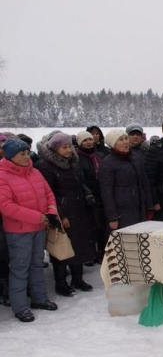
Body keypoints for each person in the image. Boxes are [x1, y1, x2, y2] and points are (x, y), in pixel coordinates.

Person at [0, 138, 59, 322]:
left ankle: (39, 298)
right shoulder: (2, 175)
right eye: (21, 154)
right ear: (10, 157)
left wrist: (50, 212)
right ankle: (20, 307)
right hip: (18, 231)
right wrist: (37, 216)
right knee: (20, 268)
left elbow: (49, 194)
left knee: (37, 264)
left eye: (27, 152)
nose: (27, 156)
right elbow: (6, 206)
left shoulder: (35, 172)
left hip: (39, 227)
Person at [37, 132, 96, 296]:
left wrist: (87, 194)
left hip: (78, 208)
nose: (69, 150)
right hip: (62, 211)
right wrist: (60, 215)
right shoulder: (45, 166)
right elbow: (49, 193)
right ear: (55, 148)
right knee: (61, 248)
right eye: (64, 147)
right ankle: (61, 283)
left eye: (70, 146)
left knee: (79, 246)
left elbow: (80, 182)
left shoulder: (72, 163)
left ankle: (78, 279)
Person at [99, 130, 154, 230]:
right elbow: (106, 193)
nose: (125, 142)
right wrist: (112, 217)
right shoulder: (107, 163)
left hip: (139, 209)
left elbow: (144, 184)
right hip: (122, 213)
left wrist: (149, 206)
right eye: (120, 140)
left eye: (125, 138)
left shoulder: (136, 158)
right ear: (113, 144)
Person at [75, 130, 106, 266]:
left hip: (101, 194)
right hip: (87, 197)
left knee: (101, 226)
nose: (88, 142)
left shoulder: (100, 155)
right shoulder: (76, 158)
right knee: (91, 227)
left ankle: (101, 252)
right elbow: (79, 178)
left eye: (89, 140)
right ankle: (91, 254)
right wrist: (87, 192)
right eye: (85, 140)